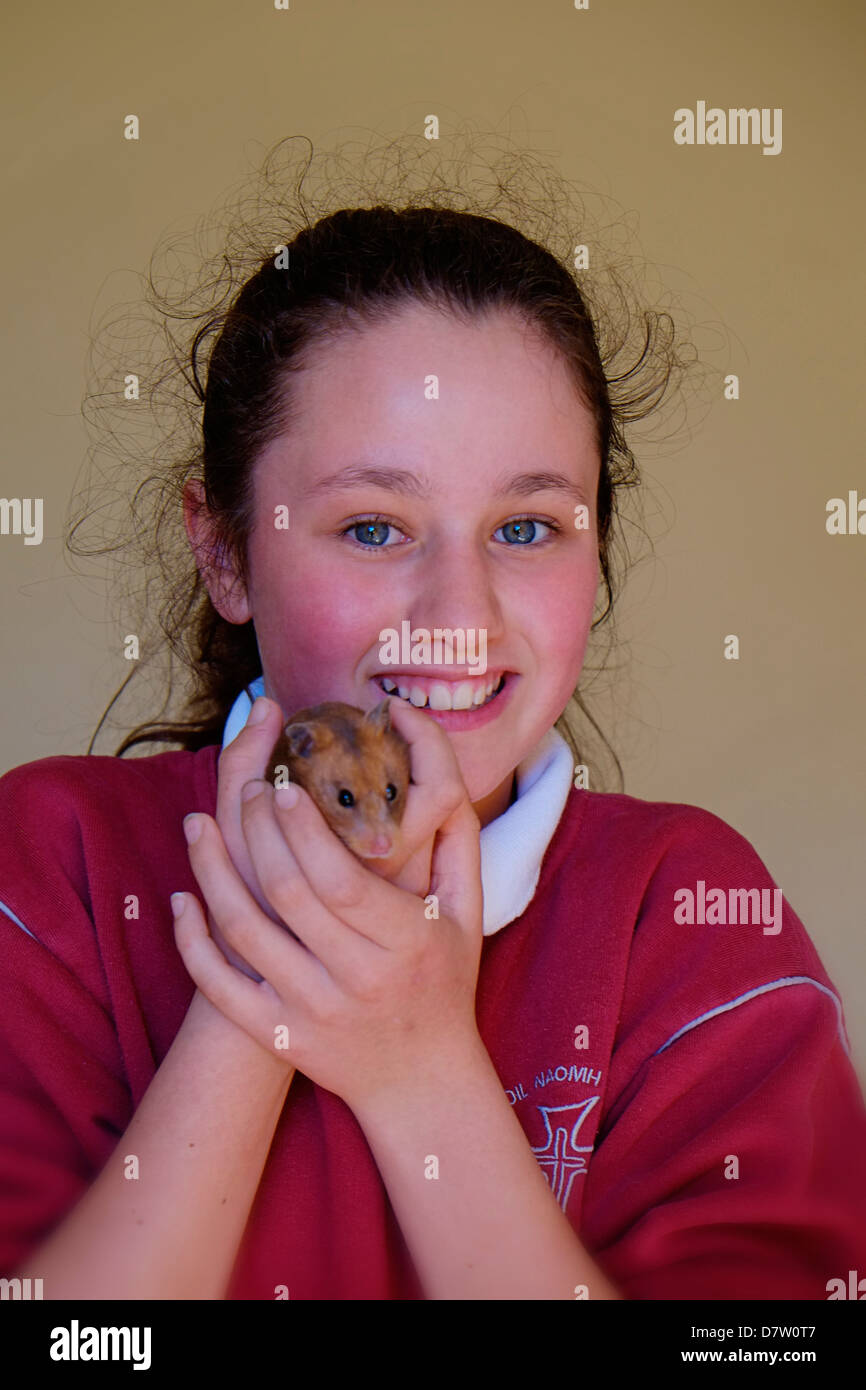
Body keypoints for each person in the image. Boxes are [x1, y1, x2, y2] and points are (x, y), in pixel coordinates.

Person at [1, 153, 865, 1301]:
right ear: (223, 551)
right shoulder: (50, 866)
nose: (459, 619)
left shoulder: (694, 918)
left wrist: (418, 1072)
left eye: (524, 527)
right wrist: (260, 993)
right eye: (370, 527)